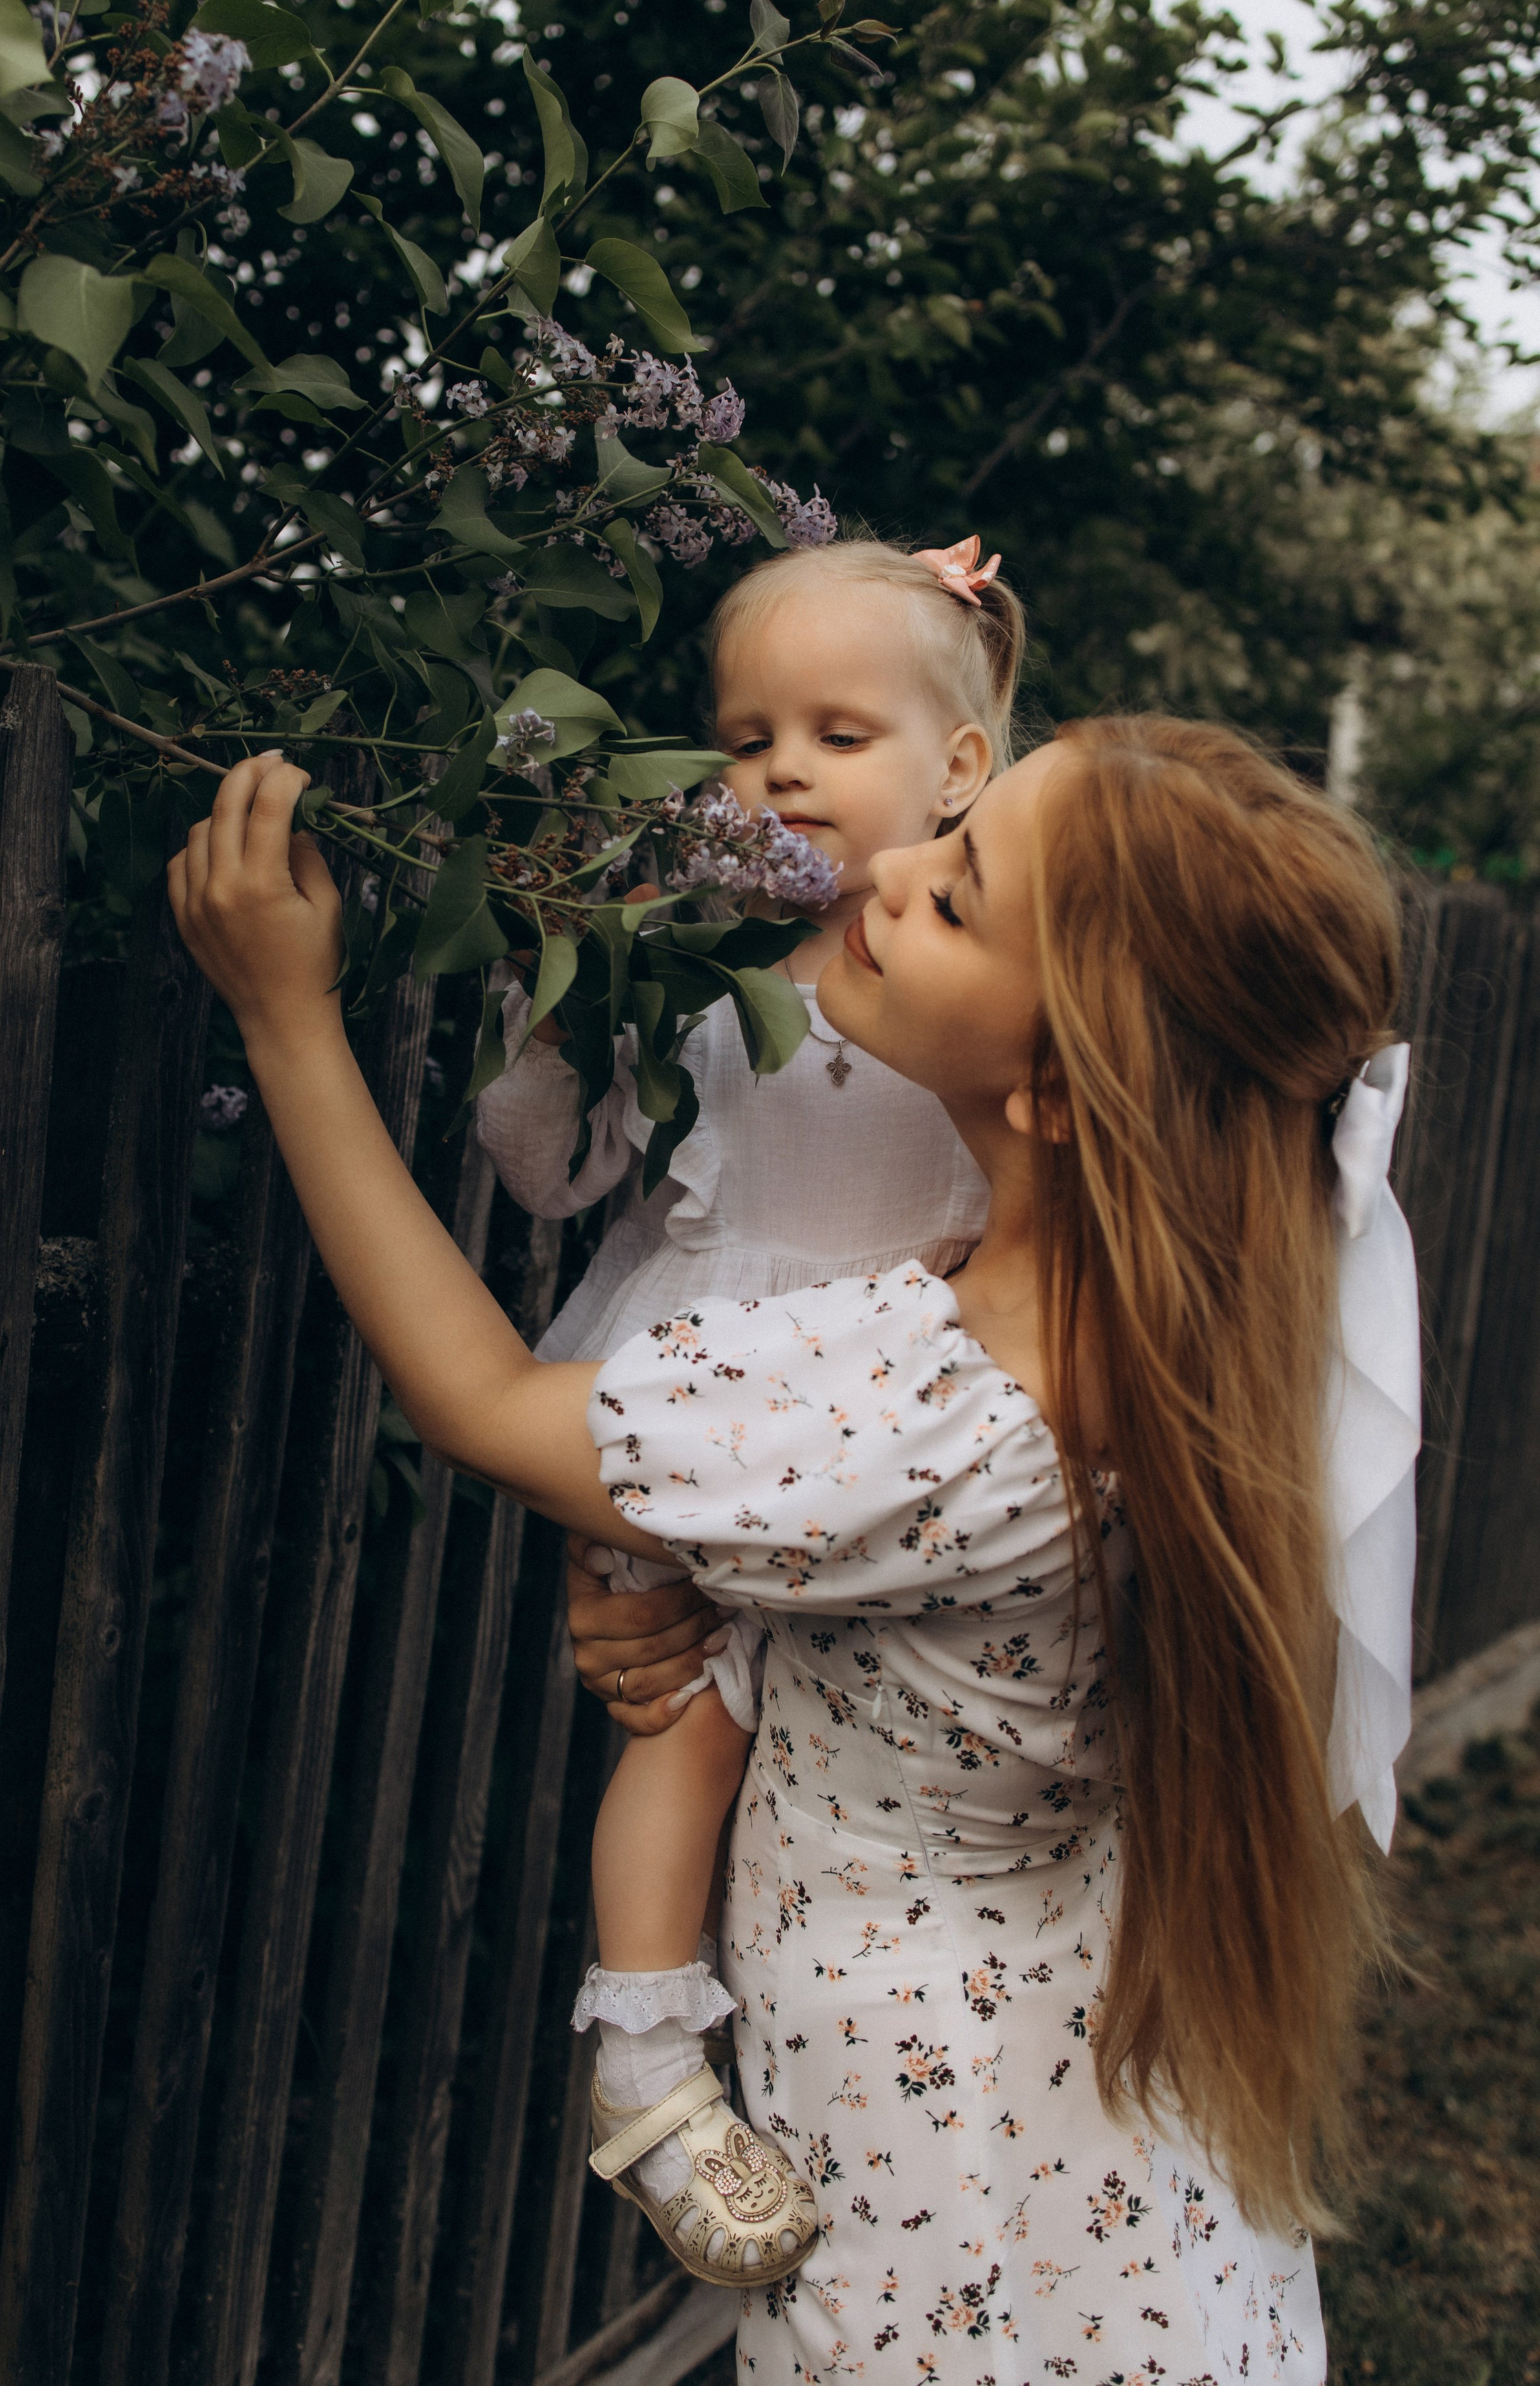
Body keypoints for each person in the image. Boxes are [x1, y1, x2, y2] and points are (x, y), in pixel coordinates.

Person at [166, 711, 1419, 2382]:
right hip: (1100, 2150)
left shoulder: (936, 1405)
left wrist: (286, 1015)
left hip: (948, 2204)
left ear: (1051, 1087)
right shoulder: (1194, 1332)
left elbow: (479, 1401)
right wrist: (696, 1588)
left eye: (957, 898)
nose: (889, 869)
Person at [473, 536, 1022, 2275]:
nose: (777, 770)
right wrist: (560, 998)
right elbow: (549, 1182)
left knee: (845, 1745)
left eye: (836, 732)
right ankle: (647, 2064)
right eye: (742, 735)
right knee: (683, 1721)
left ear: (959, 768)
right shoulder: (692, 968)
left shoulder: (981, 976)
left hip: (888, 1436)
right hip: (689, 1401)